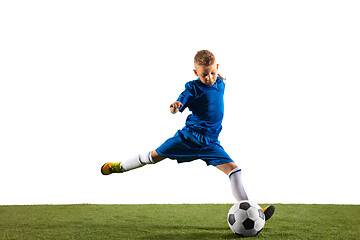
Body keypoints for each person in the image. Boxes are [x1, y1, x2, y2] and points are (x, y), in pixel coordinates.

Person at [101, 50, 275, 220]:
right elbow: (180, 102)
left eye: (213, 73)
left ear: (217, 68)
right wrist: (175, 106)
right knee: (153, 157)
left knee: (235, 170)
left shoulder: (220, 83)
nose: (209, 78)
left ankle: (254, 212)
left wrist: (220, 78)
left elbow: (217, 86)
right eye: (204, 75)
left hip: (211, 143)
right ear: (195, 72)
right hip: (188, 138)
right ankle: (120, 167)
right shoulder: (192, 87)